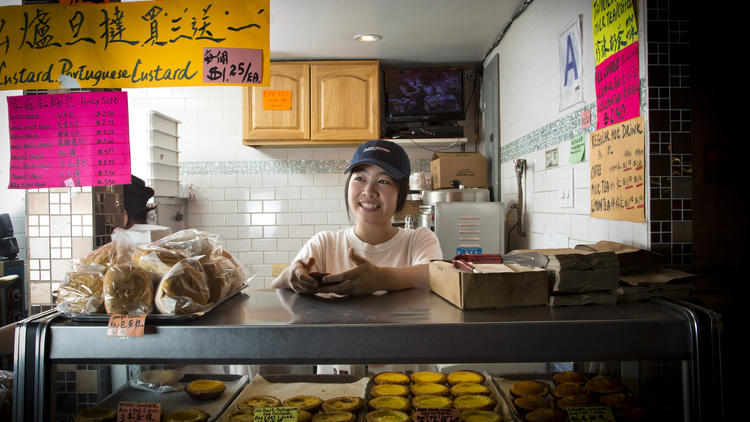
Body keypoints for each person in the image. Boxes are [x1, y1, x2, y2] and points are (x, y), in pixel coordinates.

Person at [271, 139, 442, 296]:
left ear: (401, 194)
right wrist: (290, 276)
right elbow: (276, 287)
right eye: (360, 178)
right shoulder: (324, 243)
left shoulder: (418, 240)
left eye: (383, 181)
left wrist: (381, 279)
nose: (369, 191)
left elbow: (436, 277)